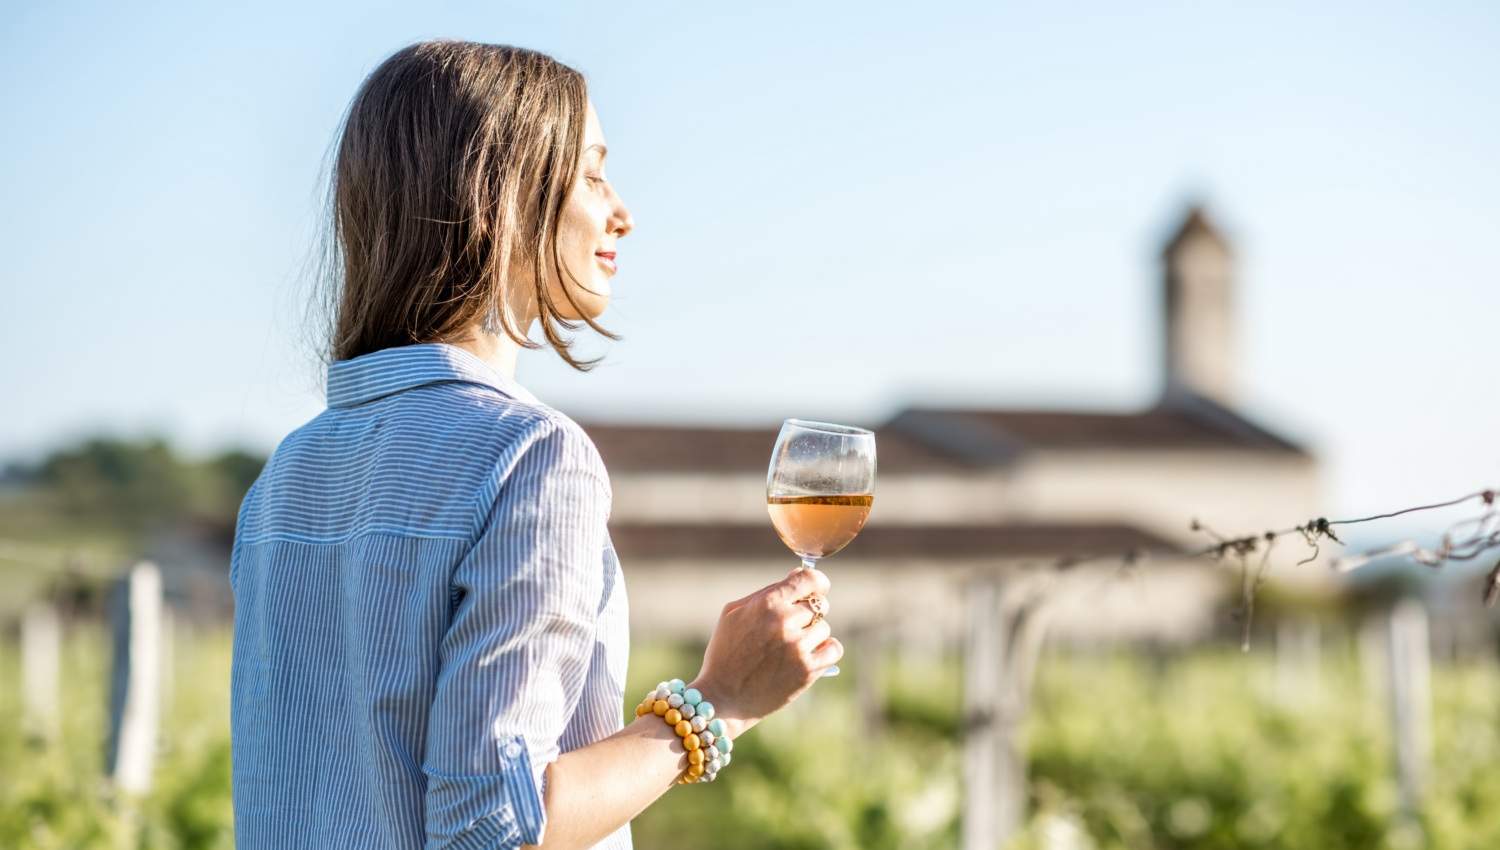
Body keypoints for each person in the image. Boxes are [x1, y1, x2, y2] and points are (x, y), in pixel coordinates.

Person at [229, 39, 842, 850]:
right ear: (501, 202)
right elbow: (493, 827)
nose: (623, 210)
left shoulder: (285, 477)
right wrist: (718, 701)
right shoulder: (531, 457)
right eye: (592, 173)